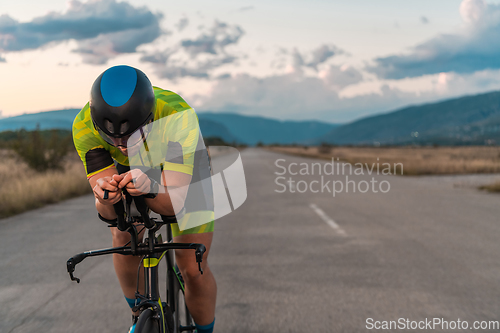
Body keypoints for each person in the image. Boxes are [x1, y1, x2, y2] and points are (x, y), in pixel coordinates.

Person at [72, 65, 216, 333]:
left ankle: (205, 330)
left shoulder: (177, 115)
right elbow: (108, 213)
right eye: (111, 138)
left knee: (193, 268)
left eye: (132, 135)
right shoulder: (82, 126)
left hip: (186, 166)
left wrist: (150, 189)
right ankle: (140, 315)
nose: (122, 145)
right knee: (123, 235)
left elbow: (175, 204)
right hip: (134, 169)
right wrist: (106, 197)